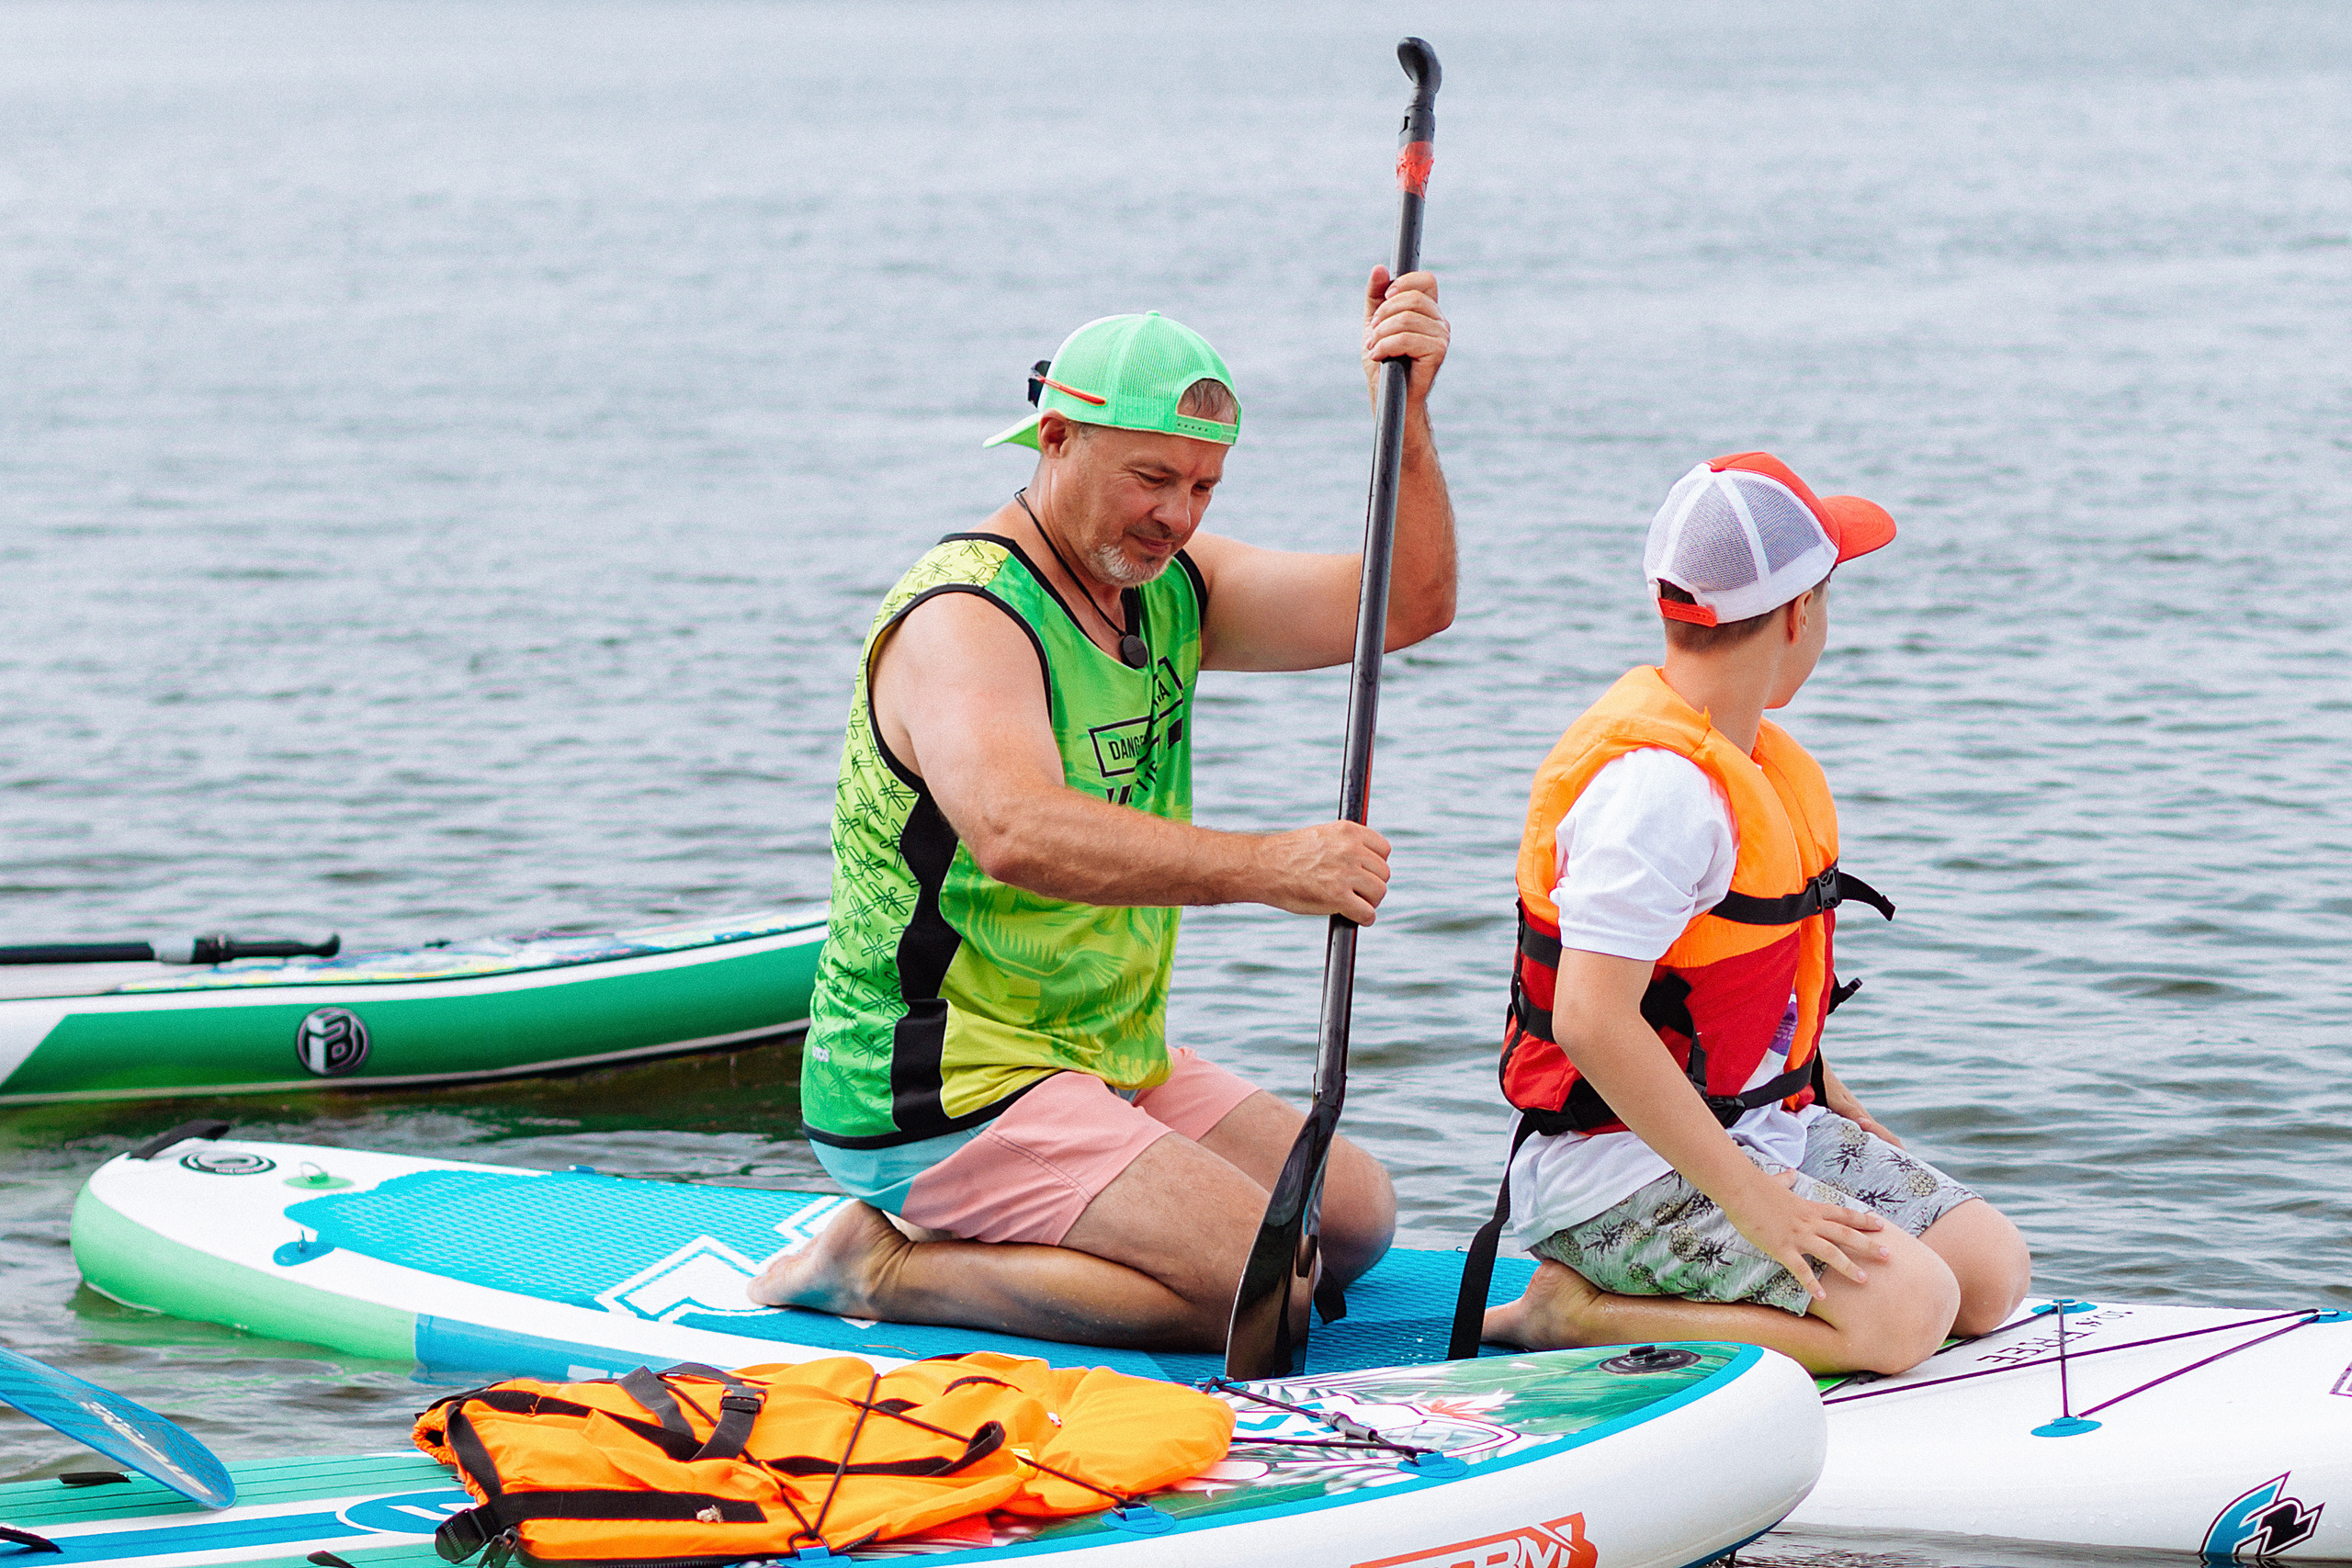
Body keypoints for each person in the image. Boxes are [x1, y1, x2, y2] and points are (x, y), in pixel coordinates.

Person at [751, 275, 1456, 1350]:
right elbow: (1016, 831)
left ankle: (1068, 1210)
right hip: (941, 1080)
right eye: (1150, 477)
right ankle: (881, 1265)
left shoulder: (1171, 586)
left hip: (1096, 1052)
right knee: (1264, 1289)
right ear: (1056, 439)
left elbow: (1405, 608)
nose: (1176, 515)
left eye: (1205, 486)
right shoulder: (968, 616)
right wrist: (1269, 866)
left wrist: (1401, 418)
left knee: (1352, 1219)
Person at [1479, 454, 2031, 1375]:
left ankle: (1753, 1246)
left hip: (1753, 1128)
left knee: (1984, 1275)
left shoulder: (1751, 760)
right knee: (1907, 1314)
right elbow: (1588, 1015)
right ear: (1796, 613)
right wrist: (1758, 1205)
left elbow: (1729, 984)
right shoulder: (1656, 791)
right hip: (1617, 1172)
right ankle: (1568, 1313)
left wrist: (1824, 1092)